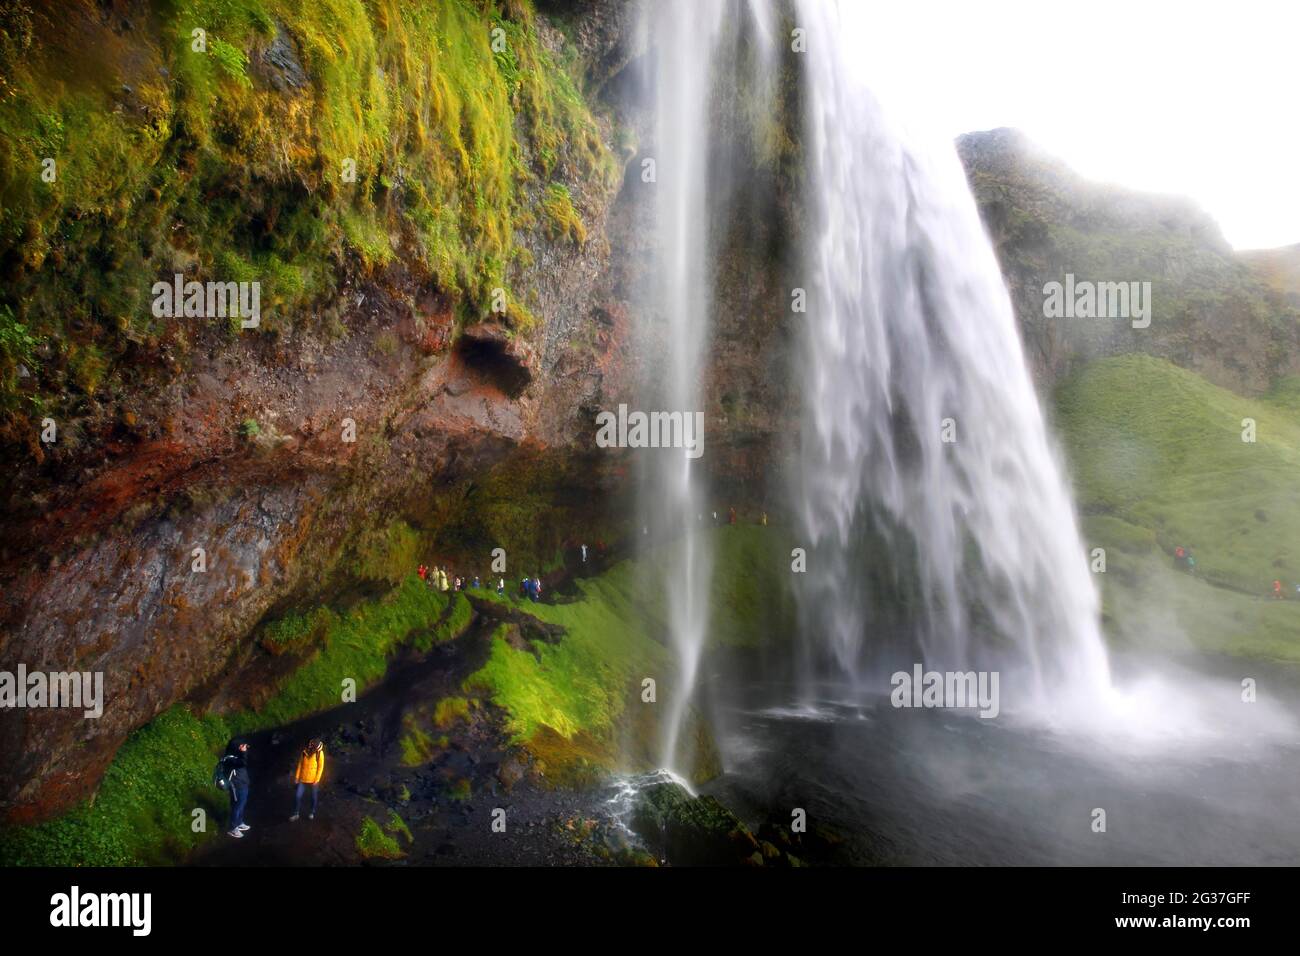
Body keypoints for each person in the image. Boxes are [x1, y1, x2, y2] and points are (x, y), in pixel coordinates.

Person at [219, 740, 253, 838]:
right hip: (237, 787)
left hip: (243, 785)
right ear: (235, 748)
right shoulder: (229, 759)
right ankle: (232, 828)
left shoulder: (236, 757)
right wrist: (243, 752)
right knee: (237, 807)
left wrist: (243, 752)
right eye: (241, 746)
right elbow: (243, 763)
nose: (243, 747)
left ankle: (239, 823)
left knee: (241, 805)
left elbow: (243, 762)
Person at [290, 738, 326, 822]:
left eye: (313, 746)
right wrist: (297, 777)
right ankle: (296, 814)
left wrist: (316, 780)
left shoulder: (319, 754)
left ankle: (312, 812)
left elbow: (320, 768)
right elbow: (300, 764)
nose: (311, 747)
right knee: (297, 796)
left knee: (313, 797)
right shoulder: (304, 752)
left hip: (313, 781)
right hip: (302, 779)